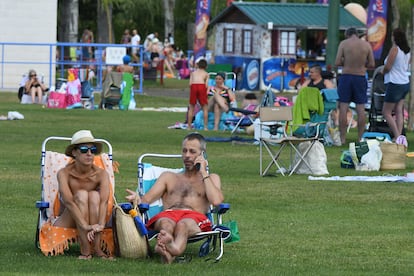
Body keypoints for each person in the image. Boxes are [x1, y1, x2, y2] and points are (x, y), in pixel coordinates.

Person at [125, 132, 224, 264]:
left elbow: (216, 201)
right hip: (169, 214)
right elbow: (146, 200)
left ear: (202, 154)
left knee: (182, 225)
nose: (187, 155)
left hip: (194, 217)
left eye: (192, 151)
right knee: (166, 223)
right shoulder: (169, 177)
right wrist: (137, 199)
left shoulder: (211, 178)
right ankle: (168, 253)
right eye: (184, 151)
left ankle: (173, 249)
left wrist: (204, 172)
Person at [53, 130, 112, 260]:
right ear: (74, 152)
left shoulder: (101, 174)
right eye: (84, 149)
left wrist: (100, 225)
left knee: (94, 196)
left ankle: (96, 247)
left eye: (93, 149)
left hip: (93, 216)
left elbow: (103, 202)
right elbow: (69, 202)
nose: (89, 154)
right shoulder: (64, 173)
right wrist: (85, 226)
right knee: (81, 195)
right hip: (68, 218)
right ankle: (85, 248)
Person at [335, 27, 375, 144]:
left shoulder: (344, 44)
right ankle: (360, 137)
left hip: (346, 76)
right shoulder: (366, 45)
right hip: (360, 76)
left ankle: (342, 138)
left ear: (347, 34)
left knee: (343, 107)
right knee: (360, 108)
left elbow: (337, 62)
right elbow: (372, 63)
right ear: (357, 34)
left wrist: (346, 63)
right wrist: (361, 64)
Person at [381, 28, 411, 144]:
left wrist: (382, 72)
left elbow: (388, 67)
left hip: (395, 82)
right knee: (399, 111)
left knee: (386, 112)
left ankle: (398, 136)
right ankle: (400, 137)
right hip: (405, 82)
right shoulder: (407, 51)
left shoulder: (395, 50)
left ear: (394, 37)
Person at [188, 59, 209, 130]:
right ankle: (205, 127)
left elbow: (190, 84)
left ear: (198, 65)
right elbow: (206, 85)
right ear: (206, 66)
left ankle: (189, 126)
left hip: (194, 86)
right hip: (201, 86)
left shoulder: (193, 73)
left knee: (191, 107)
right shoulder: (206, 74)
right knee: (205, 107)